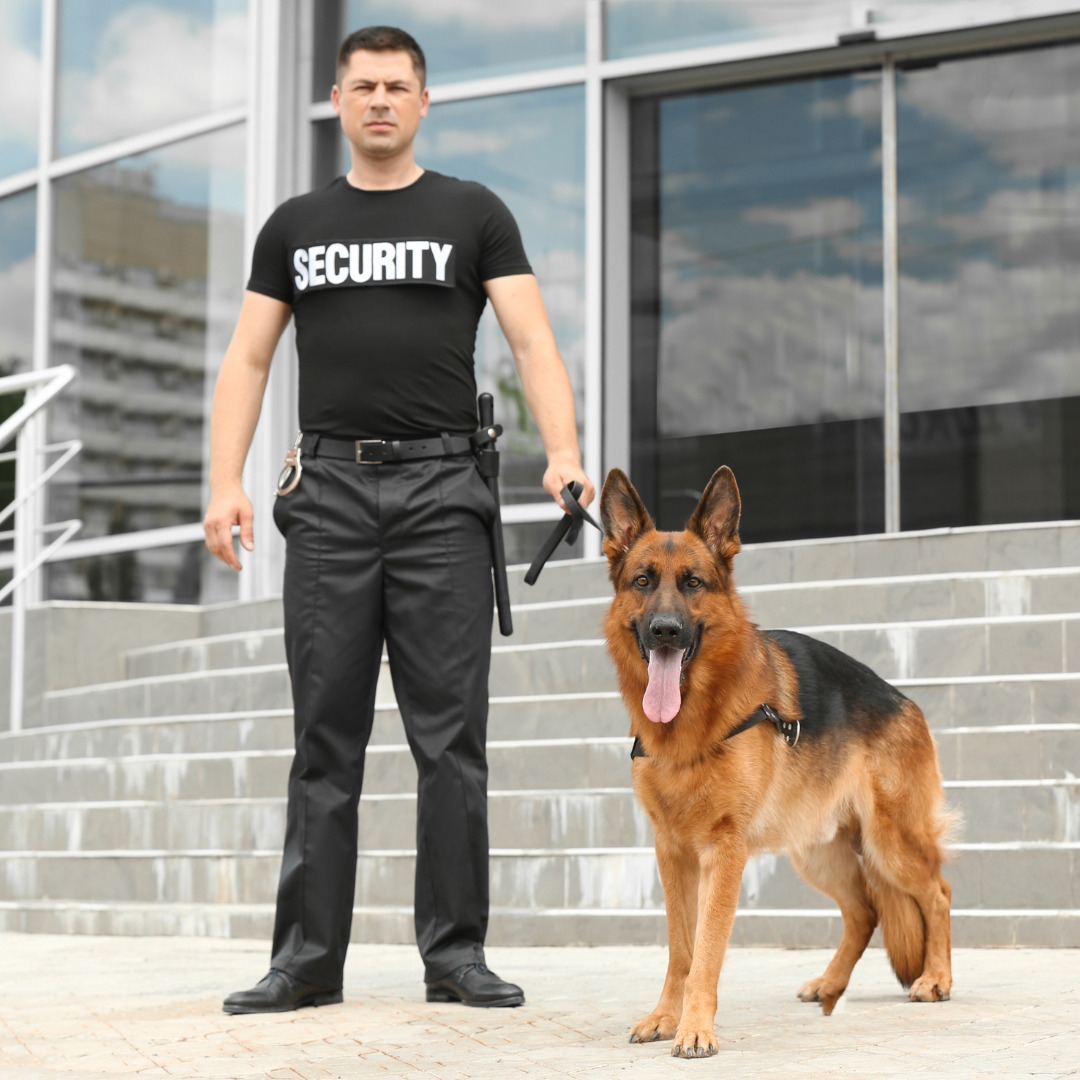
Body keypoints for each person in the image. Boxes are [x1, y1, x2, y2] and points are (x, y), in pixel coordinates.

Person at [202, 25, 594, 1014]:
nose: (380, 100)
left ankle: (456, 955)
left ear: (424, 101)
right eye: (364, 86)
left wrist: (563, 451)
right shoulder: (294, 226)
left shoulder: (475, 212)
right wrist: (224, 481)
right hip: (329, 497)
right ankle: (305, 961)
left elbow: (532, 339)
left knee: (451, 740)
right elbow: (249, 357)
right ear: (338, 100)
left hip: (443, 497)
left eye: (397, 86)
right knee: (323, 740)